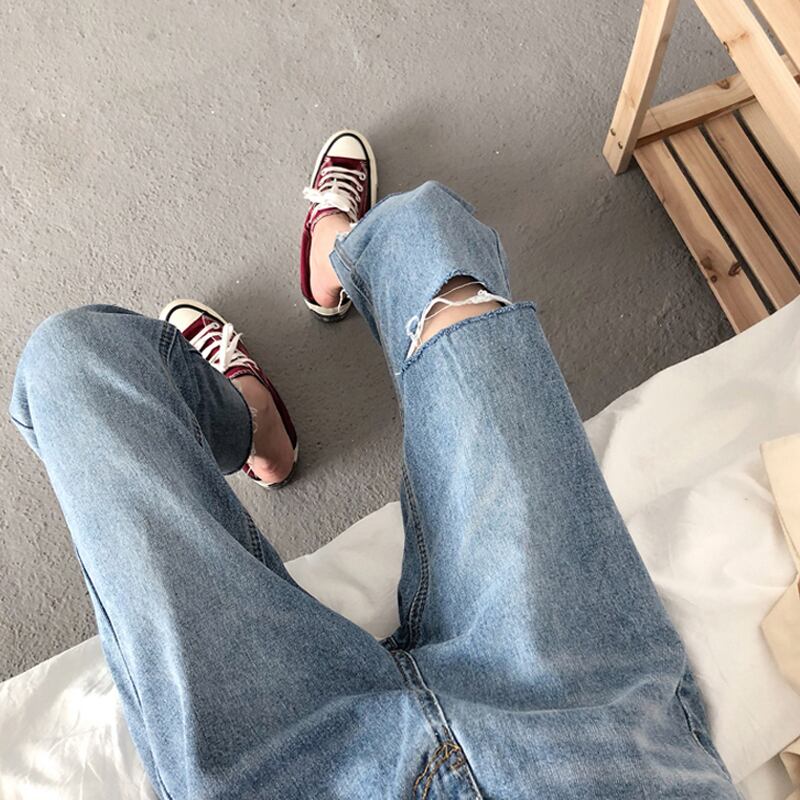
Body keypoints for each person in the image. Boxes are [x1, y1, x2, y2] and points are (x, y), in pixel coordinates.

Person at [10, 130, 738, 799]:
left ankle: (254, 417)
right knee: (433, 233)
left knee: (74, 362)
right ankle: (338, 250)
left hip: (283, 772)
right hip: (588, 731)